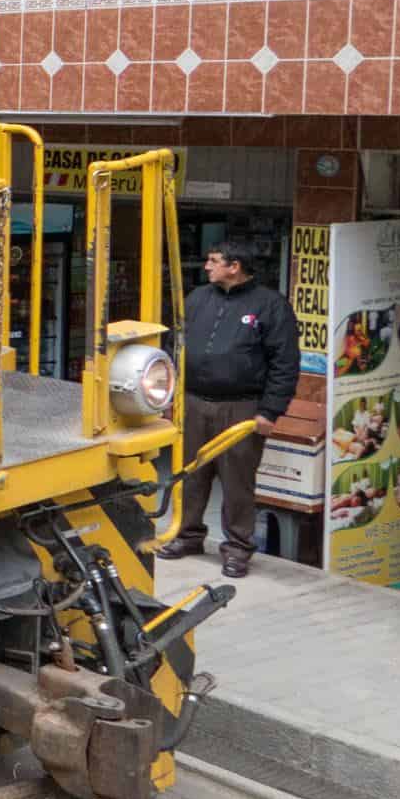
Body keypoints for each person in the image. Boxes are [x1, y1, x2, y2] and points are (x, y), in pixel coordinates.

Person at [161, 239, 299, 578]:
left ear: (234, 267)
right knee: (189, 473)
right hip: (192, 402)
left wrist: (270, 411)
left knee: (237, 481)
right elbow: (173, 346)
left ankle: (237, 548)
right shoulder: (196, 298)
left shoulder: (270, 306)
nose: (207, 266)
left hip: (241, 408)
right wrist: (168, 399)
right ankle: (187, 534)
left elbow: (285, 363)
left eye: (213, 261)